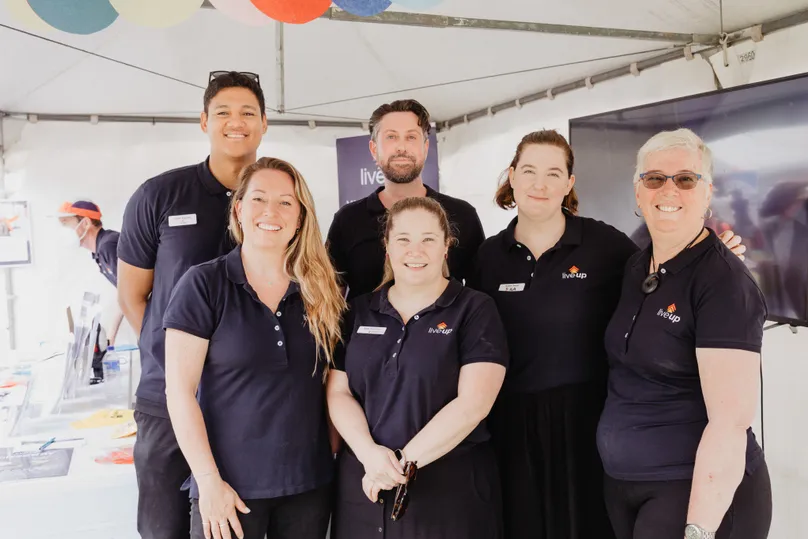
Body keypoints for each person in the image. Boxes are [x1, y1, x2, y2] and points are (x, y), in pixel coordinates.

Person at [466, 130, 747, 539]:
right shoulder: (487, 257)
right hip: (510, 424)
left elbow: (663, 272)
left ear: (569, 183)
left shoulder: (604, 246)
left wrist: (711, 257)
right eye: (528, 171)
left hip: (589, 420)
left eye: (553, 173)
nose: (540, 184)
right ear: (512, 176)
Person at [597, 128, 772, 539]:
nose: (668, 189)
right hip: (626, 486)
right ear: (638, 192)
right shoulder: (637, 266)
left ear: (707, 192)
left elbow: (729, 424)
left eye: (686, 179)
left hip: (694, 493)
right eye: (654, 178)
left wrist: (698, 530)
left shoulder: (724, 282)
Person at [117, 71, 267, 539]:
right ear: (204, 121)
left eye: (248, 112)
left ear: (264, 124)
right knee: (164, 529)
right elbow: (132, 294)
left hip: (249, 405)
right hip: (167, 401)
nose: (236, 122)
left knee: (233, 528)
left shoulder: (277, 201)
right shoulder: (159, 195)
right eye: (223, 112)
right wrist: (176, 359)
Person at [163, 158, 343, 539]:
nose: (270, 212)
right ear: (239, 210)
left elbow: (332, 385)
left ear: (300, 219)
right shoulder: (203, 285)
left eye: (285, 202)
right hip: (227, 490)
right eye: (259, 199)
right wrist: (208, 482)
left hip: (307, 489)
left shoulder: (323, 290)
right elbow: (179, 393)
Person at [327, 197, 508, 538]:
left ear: (446, 246)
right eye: (404, 239)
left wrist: (400, 463)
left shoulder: (474, 310)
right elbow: (338, 392)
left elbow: (474, 404)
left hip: (448, 494)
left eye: (428, 239)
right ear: (387, 247)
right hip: (364, 487)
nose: (416, 250)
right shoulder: (358, 312)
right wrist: (370, 456)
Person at [326, 99, 485, 300]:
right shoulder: (347, 220)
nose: (401, 147)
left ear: (425, 147)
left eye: (411, 137)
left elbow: (480, 293)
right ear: (374, 149)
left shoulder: (462, 215)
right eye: (391, 137)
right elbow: (330, 298)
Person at [56, 200, 124, 378]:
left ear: (85, 223)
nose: (62, 230)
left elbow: (135, 292)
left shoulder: (108, 245)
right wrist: (110, 340)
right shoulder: (99, 252)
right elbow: (124, 294)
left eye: (66, 224)